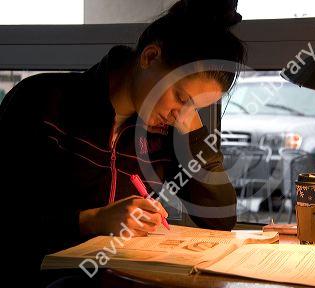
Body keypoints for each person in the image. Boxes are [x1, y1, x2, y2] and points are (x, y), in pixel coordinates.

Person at [0, 0, 245, 285]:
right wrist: (91, 220)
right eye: (181, 97)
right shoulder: (42, 101)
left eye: (196, 108)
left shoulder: (165, 133)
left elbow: (219, 220)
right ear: (150, 56)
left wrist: (194, 131)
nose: (182, 115)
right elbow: (11, 218)